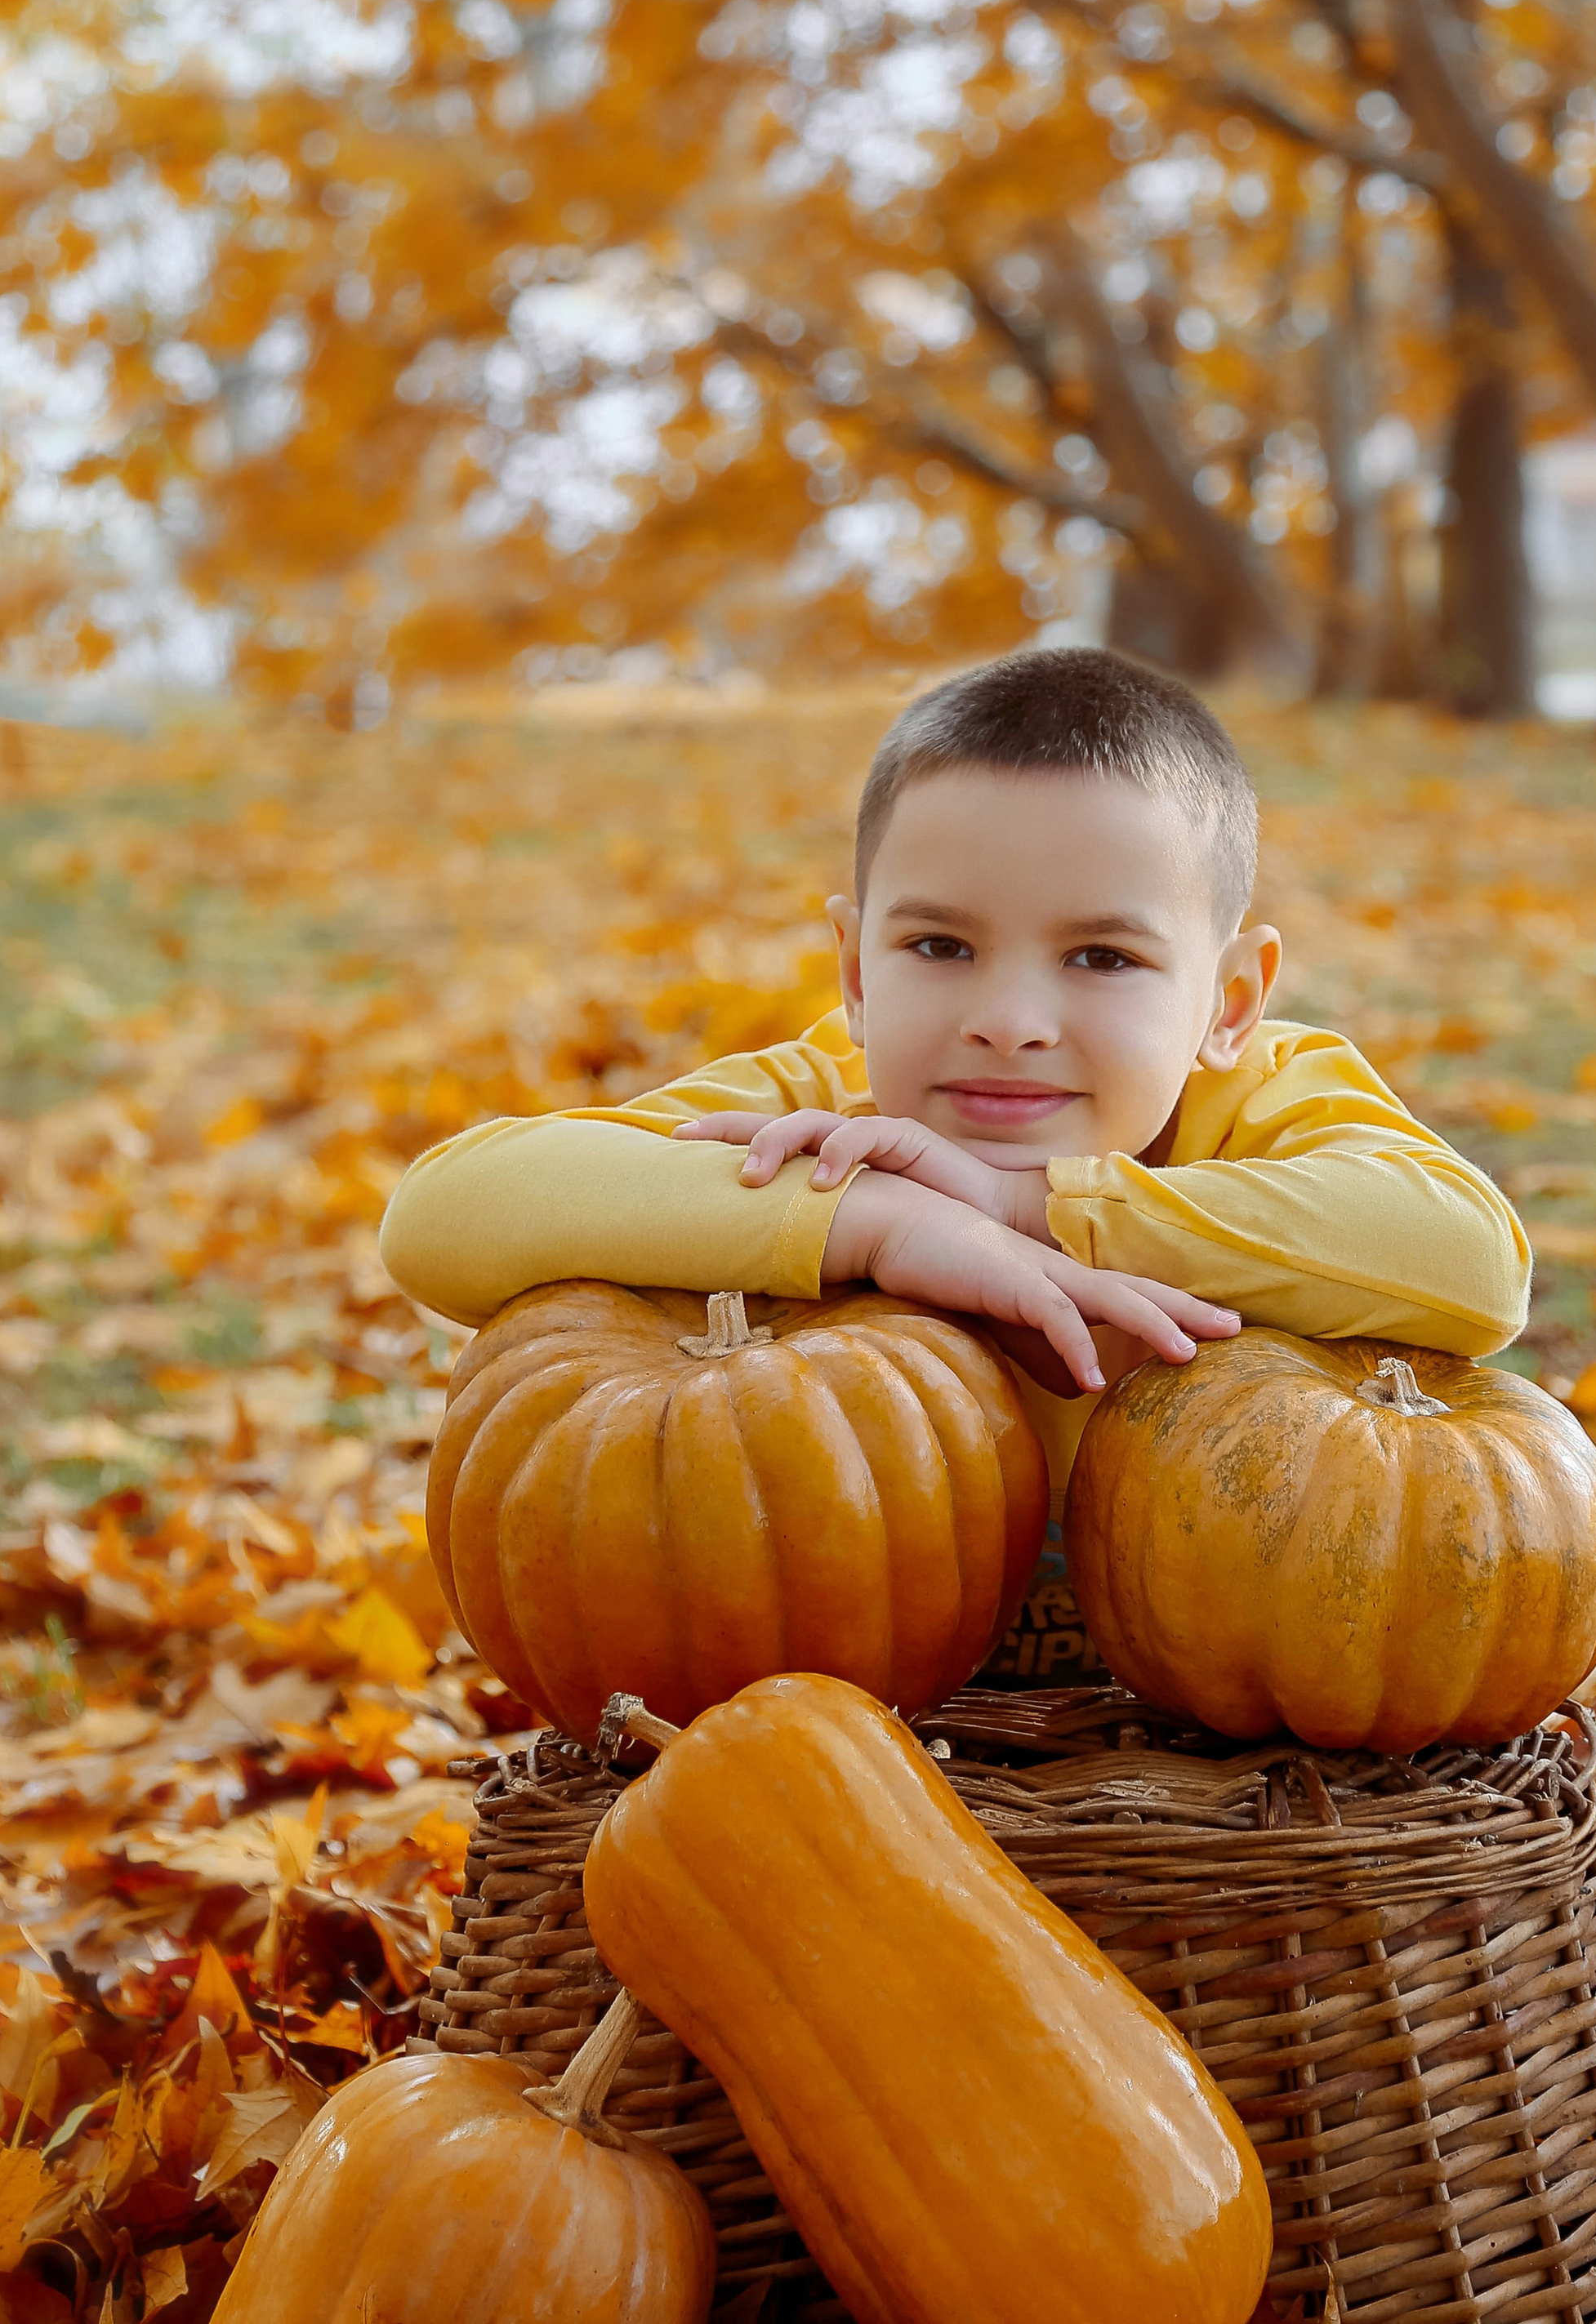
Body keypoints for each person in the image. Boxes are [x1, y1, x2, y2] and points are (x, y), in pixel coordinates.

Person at [379, 646, 1531, 1685]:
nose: (1010, 1019)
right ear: (857, 970)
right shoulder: (825, 1108)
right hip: (849, 1716)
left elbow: (1474, 1263)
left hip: (1240, 1729)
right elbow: (444, 1213)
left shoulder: (1263, 1099)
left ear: (1228, 1003)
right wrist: (879, 1223)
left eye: (1101, 955)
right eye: (940, 946)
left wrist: (1025, 1207)